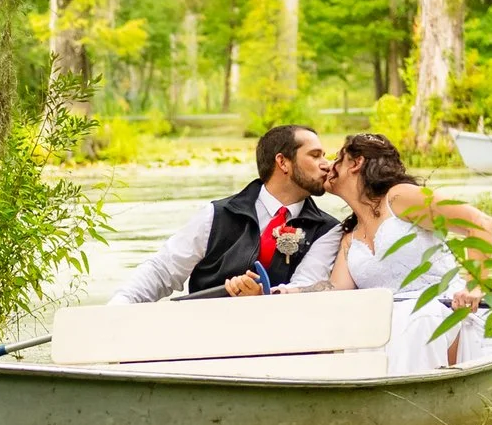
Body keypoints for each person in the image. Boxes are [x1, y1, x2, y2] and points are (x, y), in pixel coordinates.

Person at [325, 131, 492, 372]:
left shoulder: (399, 197)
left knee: (420, 321)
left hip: (439, 315)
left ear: (356, 163)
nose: (328, 166)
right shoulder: (350, 237)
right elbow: (335, 293)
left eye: (337, 157)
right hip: (388, 329)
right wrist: (285, 291)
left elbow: (480, 223)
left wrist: (474, 285)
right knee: (358, 329)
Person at [109, 124, 342, 303]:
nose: (326, 164)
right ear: (283, 162)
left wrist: (263, 296)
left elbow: (306, 290)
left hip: (281, 343)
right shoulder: (217, 215)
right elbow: (163, 270)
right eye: (315, 155)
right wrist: (120, 306)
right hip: (203, 336)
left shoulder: (327, 230)